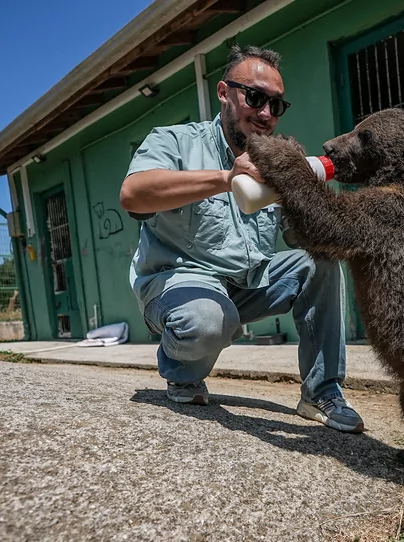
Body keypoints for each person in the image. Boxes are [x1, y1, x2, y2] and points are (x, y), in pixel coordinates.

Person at [119, 44, 364, 433]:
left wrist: (308, 194)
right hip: (181, 282)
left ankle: (322, 393)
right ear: (223, 92)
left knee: (318, 261)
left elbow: (299, 237)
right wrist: (226, 178)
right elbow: (134, 194)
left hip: (246, 283)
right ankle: (182, 372)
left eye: (276, 105)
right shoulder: (177, 141)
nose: (266, 114)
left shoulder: (273, 162)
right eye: (255, 97)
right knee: (207, 321)